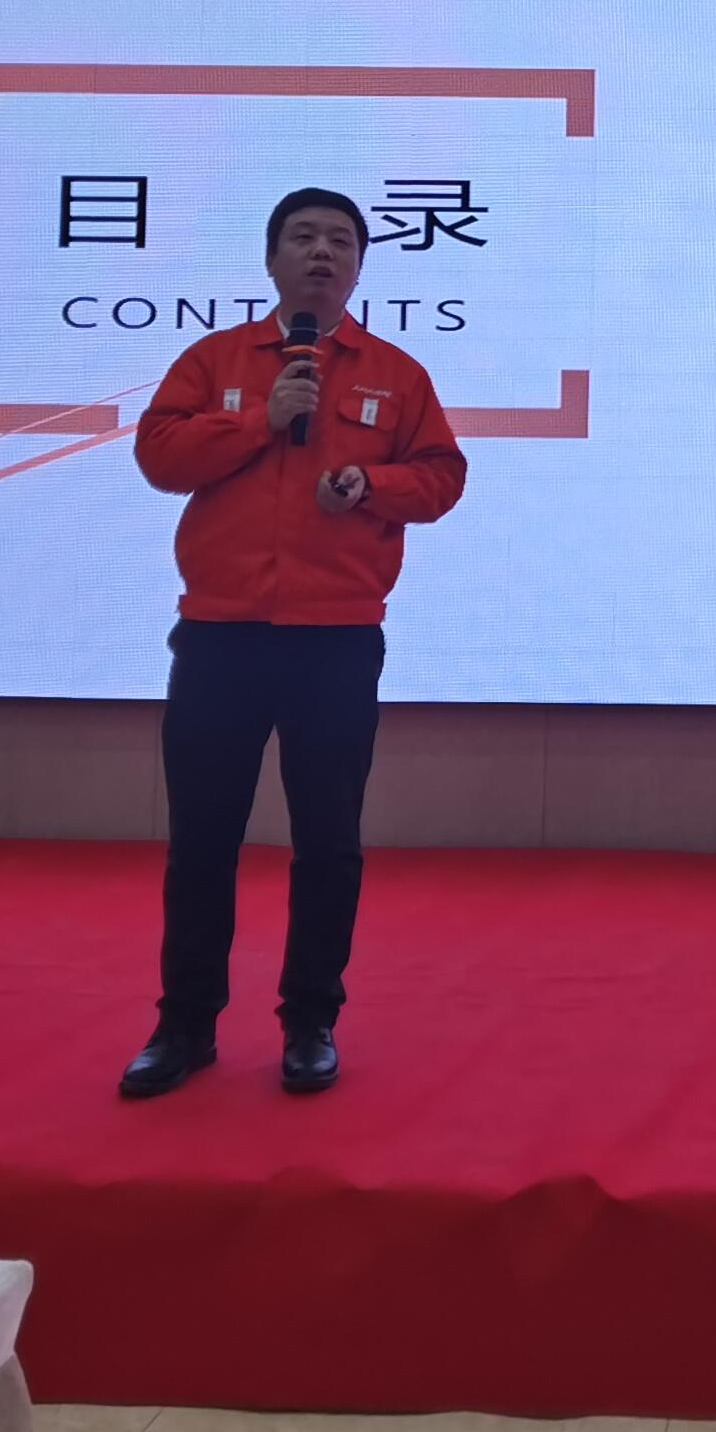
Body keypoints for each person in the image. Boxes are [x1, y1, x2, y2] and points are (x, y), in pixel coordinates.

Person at [118, 188, 465, 1100]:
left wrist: (372, 484)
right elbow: (159, 458)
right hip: (219, 636)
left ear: (359, 266)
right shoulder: (215, 359)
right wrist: (261, 420)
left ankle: (311, 1021)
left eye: (340, 241)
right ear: (271, 259)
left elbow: (441, 478)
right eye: (303, 237)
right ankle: (185, 1025)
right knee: (202, 840)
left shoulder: (397, 373)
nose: (322, 252)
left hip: (335, 640)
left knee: (329, 842)